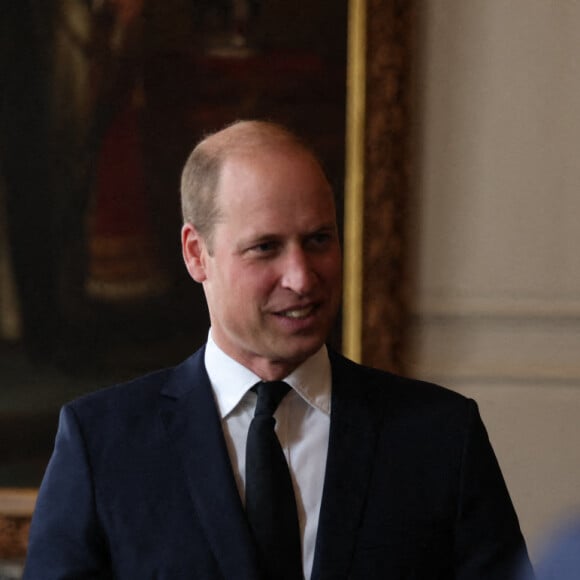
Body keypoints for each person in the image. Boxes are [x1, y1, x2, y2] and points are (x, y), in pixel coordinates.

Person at [23, 120, 533, 579]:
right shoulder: (102, 444)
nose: (302, 277)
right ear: (197, 254)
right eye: (266, 247)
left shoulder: (441, 436)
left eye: (318, 240)